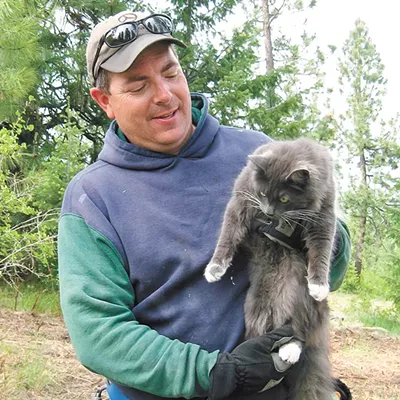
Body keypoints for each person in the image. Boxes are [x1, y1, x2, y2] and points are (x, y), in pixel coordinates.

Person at [58, 10, 351, 400]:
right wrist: (215, 374)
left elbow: (332, 261)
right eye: (138, 85)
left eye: (170, 72)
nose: (164, 95)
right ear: (105, 101)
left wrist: (320, 238)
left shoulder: (256, 154)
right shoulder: (92, 197)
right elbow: (98, 332)